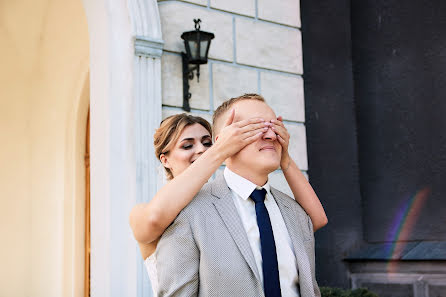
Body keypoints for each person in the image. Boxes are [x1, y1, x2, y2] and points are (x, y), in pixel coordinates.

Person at [130, 94, 327, 296]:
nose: (202, 151)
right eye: (187, 145)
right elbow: (154, 219)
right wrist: (220, 150)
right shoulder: (175, 213)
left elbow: (312, 222)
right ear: (165, 160)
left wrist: (283, 156)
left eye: (207, 143)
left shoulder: (283, 208)